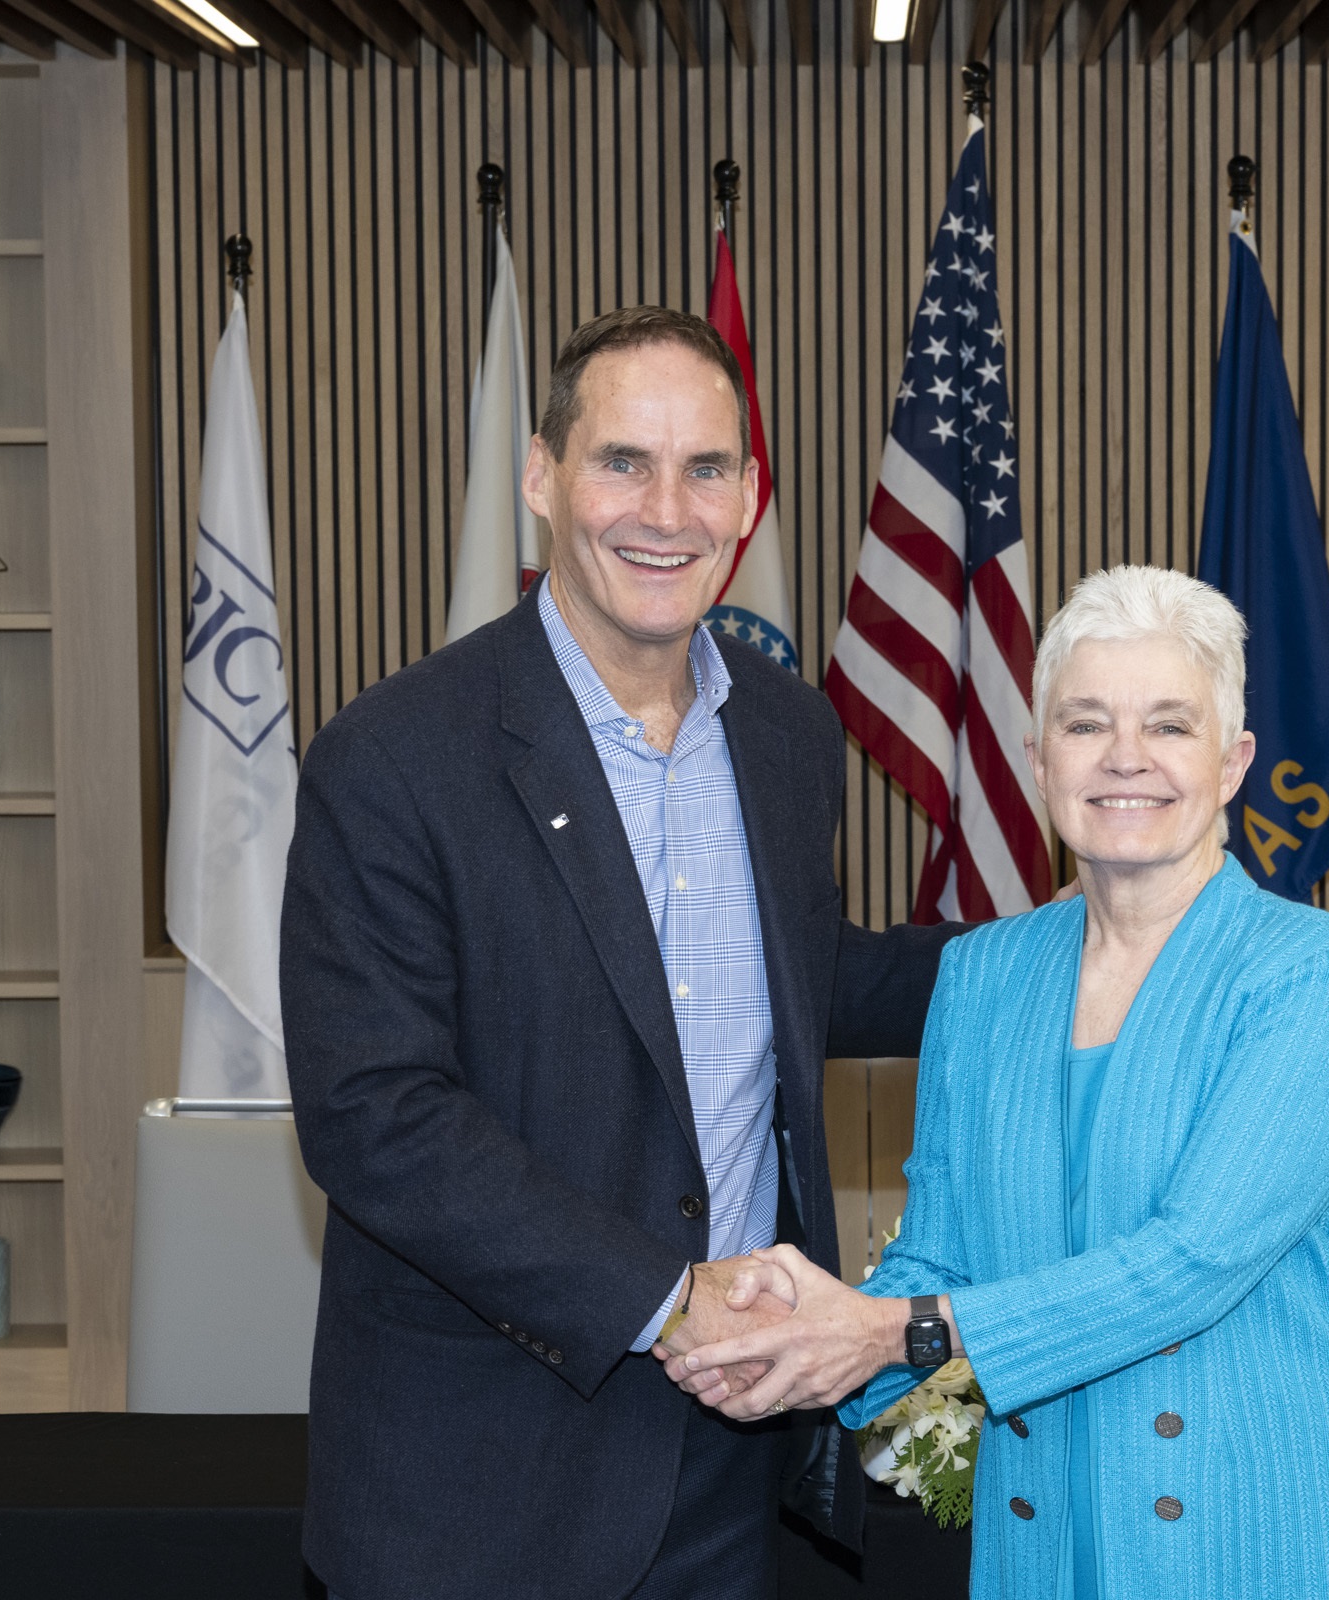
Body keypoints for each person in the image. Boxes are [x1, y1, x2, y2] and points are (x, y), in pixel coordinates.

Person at [279, 306, 967, 1600]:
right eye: (622, 463)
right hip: (482, 1491)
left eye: (706, 469)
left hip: (733, 1466)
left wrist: (1087, 940)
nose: (667, 510)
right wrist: (667, 1298)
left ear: (748, 498)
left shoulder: (787, 736)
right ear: (541, 476)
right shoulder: (395, 758)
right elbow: (379, 1118)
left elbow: (801, 986)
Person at [666, 565, 1329, 1597]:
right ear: (1037, 760)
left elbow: (1189, 1262)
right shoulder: (982, 976)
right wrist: (799, 1333)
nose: (1125, 756)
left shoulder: (1314, 975)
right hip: (1043, 1545)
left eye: (1169, 725)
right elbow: (939, 1252)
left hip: (1266, 1536)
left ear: (1233, 762)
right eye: (1085, 723)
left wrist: (887, 1330)